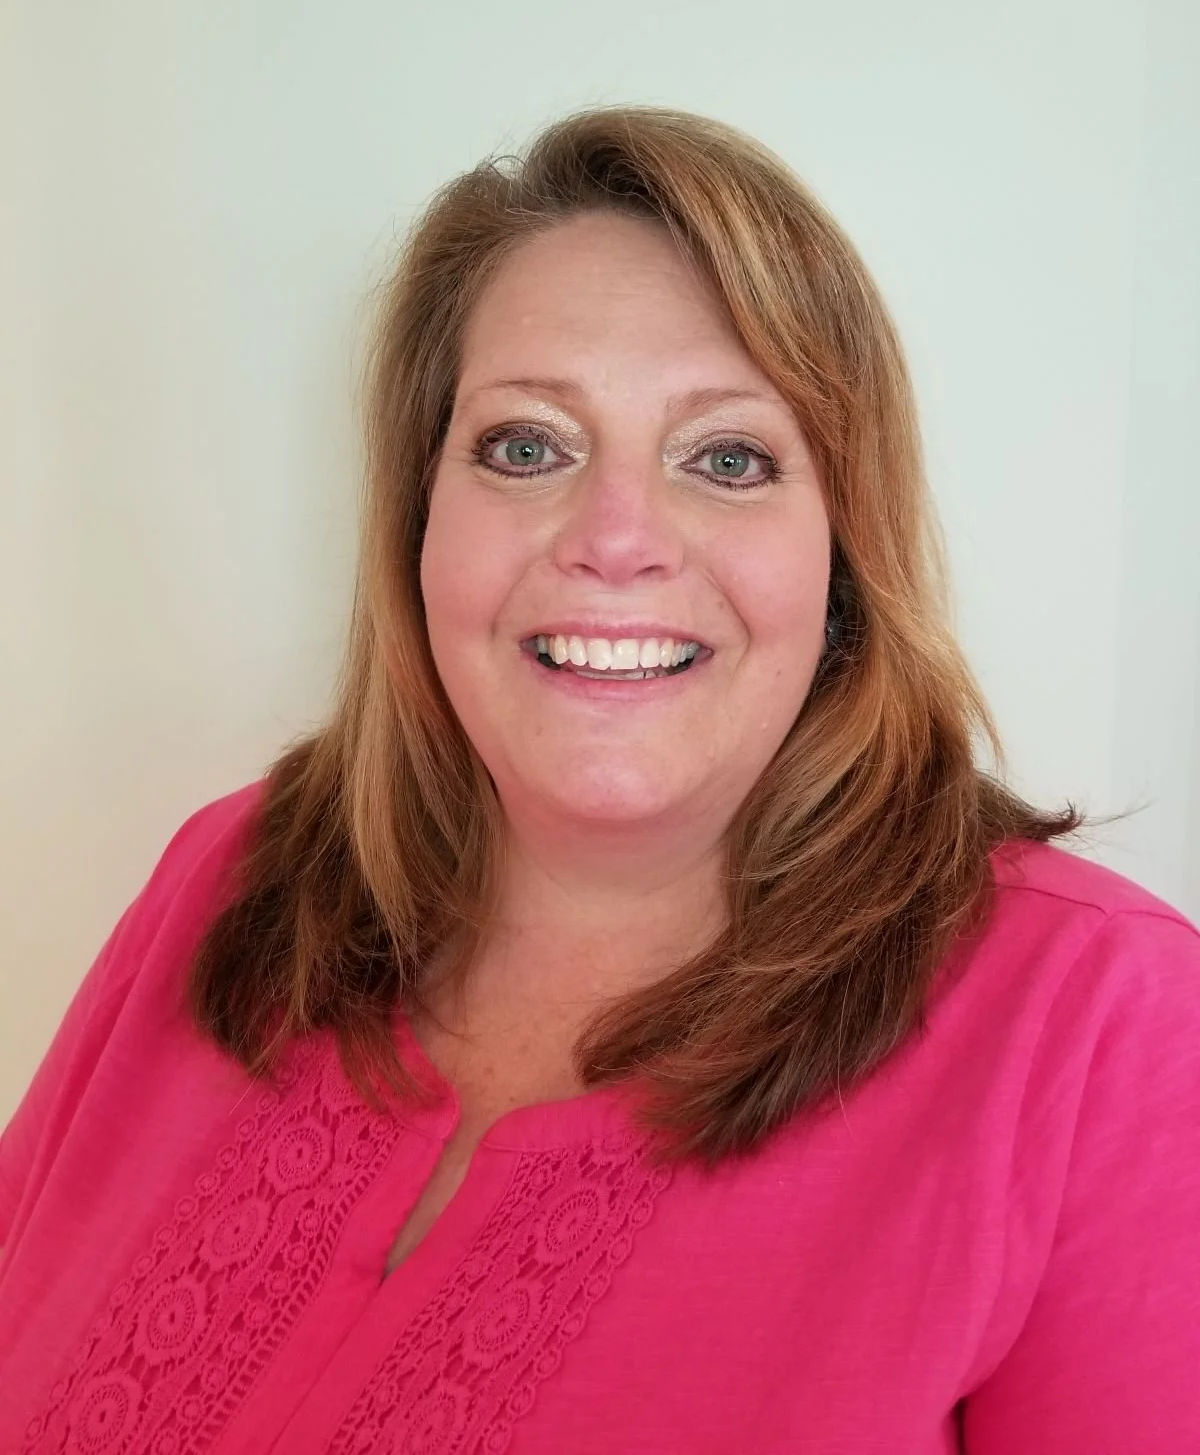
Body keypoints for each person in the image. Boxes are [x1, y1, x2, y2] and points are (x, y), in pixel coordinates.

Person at [1, 106, 1197, 1454]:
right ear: (418, 522)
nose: (617, 539)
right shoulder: (234, 876)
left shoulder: (1101, 1027)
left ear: (844, 553)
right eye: (527, 447)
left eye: (729, 459)